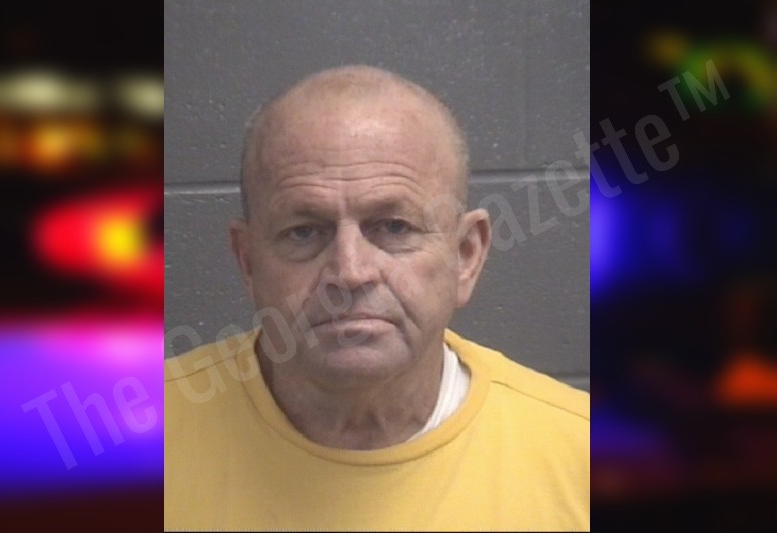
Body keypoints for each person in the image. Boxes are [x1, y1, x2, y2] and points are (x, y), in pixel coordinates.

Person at [164, 65, 589, 531]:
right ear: (248, 262)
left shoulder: (583, 459)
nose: (350, 272)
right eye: (304, 231)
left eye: (394, 227)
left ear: (466, 255)